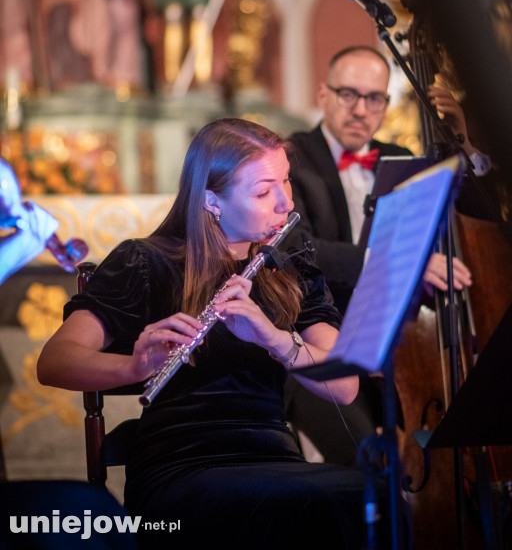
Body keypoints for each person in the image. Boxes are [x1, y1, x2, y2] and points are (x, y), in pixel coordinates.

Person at [37, 118, 393, 549]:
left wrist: (274, 338)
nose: (284, 203)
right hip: (180, 467)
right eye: (263, 191)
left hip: (274, 456)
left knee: (375, 500)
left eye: (285, 182)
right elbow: (55, 362)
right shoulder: (144, 263)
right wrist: (134, 365)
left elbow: (345, 386)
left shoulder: (290, 268)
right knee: (310, 507)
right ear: (211, 199)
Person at [284, 45, 476, 467]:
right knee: (368, 466)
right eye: (348, 94)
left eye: (374, 98)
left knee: (442, 454)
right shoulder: (289, 160)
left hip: (398, 349)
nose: (361, 109)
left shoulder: (402, 161)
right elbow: (297, 250)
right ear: (323, 95)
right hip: (317, 350)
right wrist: (395, 264)